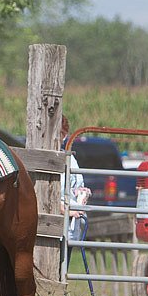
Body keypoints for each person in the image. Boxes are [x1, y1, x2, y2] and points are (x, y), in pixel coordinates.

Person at [60, 116, 90, 280]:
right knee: (55, 266)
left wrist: (83, 194)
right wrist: (66, 211)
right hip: (57, 224)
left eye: (64, 134)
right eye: (60, 134)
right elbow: (45, 195)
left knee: (64, 267)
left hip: (71, 226)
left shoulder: (71, 160)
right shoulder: (48, 159)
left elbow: (77, 183)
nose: (63, 138)